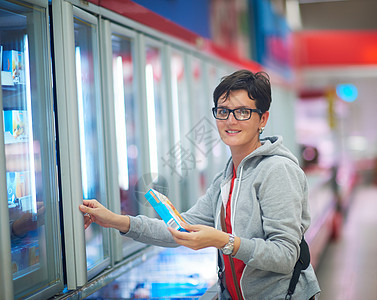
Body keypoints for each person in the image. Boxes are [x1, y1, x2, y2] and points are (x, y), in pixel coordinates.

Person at [79, 70, 321, 299]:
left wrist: (223, 241)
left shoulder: (277, 170)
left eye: (243, 112)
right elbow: (179, 229)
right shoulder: (226, 178)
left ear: (262, 119)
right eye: (223, 111)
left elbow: (285, 255)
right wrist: (115, 220)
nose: (231, 120)